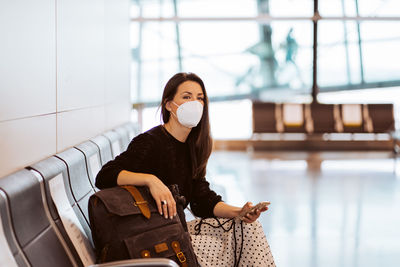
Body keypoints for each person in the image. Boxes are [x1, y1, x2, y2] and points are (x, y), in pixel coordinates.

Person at [95, 72, 275, 266]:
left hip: (177, 231)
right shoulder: (149, 142)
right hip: (156, 238)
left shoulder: (193, 146)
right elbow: (105, 176)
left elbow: (201, 200)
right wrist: (151, 180)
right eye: (187, 97)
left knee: (248, 227)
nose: (195, 104)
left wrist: (240, 211)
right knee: (234, 244)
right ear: (169, 104)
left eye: (200, 98)